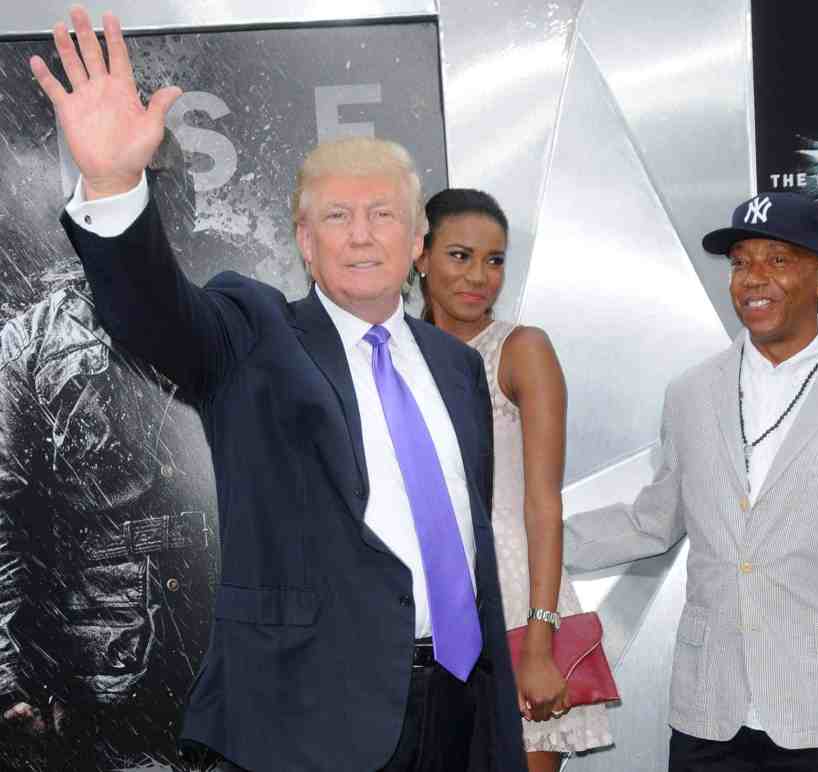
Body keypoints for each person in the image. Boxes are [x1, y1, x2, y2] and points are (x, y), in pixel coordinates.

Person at [30, 7, 526, 772]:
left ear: (416, 243)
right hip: (310, 721)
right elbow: (154, 316)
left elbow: (470, 546)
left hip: (460, 715)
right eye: (336, 216)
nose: (359, 234)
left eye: (382, 215)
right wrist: (113, 181)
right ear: (303, 241)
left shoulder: (456, 366)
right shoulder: (255, 331)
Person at [565, 192, 818, 772]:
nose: (753, 278)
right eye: (741, 262)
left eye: (778, 260)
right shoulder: (691, 394)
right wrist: (525, 541)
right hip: (710, 712)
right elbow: (653, 521)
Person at [414, 189, 613, 772]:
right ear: (420, 256)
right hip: (419, 612)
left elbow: (542, 506)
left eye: (494, 260)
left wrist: (540, 642)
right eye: (460, 255)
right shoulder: (391, 353)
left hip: (513, 603)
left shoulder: (521, 349)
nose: (479, 276)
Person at [0, 268, 216, 772]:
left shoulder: (219, 320)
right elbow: (3, 523)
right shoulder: (28, 345)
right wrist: (8, 677)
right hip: (103, 682)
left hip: (224, 663)